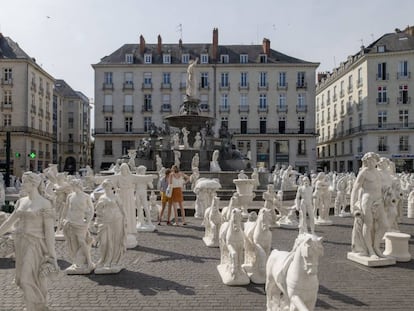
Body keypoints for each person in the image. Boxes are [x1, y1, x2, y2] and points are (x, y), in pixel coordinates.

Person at [0, 172, 59, 311]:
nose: (22, 184)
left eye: (25, 181)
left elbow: (49, 232)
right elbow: (10, 221)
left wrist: (52, 255)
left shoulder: (45, 203)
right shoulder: (21, 201)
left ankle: (39, 304)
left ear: (34, 184)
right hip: (20, 244)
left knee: (27, 278)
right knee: (21, 279)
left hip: (36, 245)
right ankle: (32, 306)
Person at [350, 152, 388, 258]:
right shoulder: (364, 173)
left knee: (384, 224)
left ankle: (376, 246)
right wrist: (353, 205)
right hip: (367, 200)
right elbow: (355, 189)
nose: (370, 162)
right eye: (368, 161)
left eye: (372, 160)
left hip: (378, 200)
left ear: (376, 161)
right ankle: (370, 250)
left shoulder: (378, 172)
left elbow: (381, 186)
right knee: (368, 224)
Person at [62, 178, 95, 273]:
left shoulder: (86, 196)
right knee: (73, 241)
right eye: (72, 186)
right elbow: (67, 208)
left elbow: (91, 209)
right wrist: (64, 219)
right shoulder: (70, 196)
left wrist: (88, 220)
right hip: (71, 221)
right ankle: (77, 262)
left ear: (78, 186)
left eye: (74, 186)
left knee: (82, 241)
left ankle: (89, 261)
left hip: (81, 222)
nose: (72, 188)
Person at [94, 179, 126, 273]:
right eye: (105, 186)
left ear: (111, 187)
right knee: (104, 242)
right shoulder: (102, 197)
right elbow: (98, 211)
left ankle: (114, 261)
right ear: (103, 187)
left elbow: (122, 208)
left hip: (117, 219)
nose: (107, 188)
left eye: (108, 186)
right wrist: (97, 221)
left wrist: (125, 219)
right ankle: (104, 259)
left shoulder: (116, 197)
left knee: (116, 240)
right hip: (105, 221)